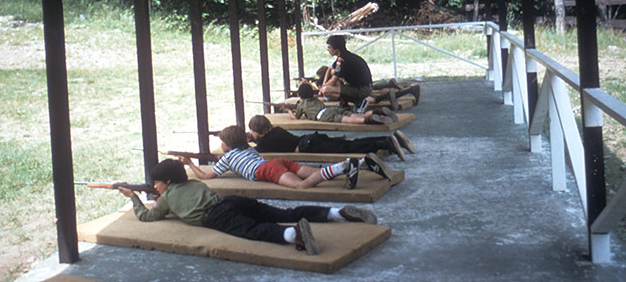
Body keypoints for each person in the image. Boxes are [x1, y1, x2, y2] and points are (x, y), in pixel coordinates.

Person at [118, 159, 378, 255]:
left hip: (216, 216)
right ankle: (336, 213)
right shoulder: (195, 184)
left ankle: (293, 235)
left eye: (158, 184)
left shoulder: (166, 199)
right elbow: (177, 198)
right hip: (231, 201)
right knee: (284, 213)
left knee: (253, 230)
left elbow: (148, 217)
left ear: (167, 182)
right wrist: (159, 196)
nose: (157, 187)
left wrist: (133, 197)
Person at [180, 125, 360, 189]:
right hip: (276, 163)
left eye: (222, 142)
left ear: (228, 144)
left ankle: (340, 167)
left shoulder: (227, 159)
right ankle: (346, 166)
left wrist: (189, 163)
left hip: (267, 170)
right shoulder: (249, 149)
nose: (221, 146)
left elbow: (205, 177)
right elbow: (239, 161)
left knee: (301, 186)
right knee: (315, 173)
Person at [248, 114, 415, 161]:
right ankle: (393, 138)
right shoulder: (276, 130)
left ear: (256, 130)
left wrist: (247, 139)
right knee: (350, 143)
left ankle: (385, 143)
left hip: (308, 146)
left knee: (349, 148)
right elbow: (262, 140)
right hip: (311, 138)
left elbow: (255, 150)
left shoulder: (265, 143)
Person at [291, 82, 397, 125]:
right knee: (356, 115)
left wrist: (288, 111)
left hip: (323, 116)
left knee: (350, 120)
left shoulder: (302, 105)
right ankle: (377, 111)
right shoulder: (315, 99)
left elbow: (296, 118)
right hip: (331, 109)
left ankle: (369, 120)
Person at [320, 35, 373, 107]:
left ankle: (358, 102)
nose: (327, 50)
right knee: (333, 71)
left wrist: (321, 89)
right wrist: (324, 83)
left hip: (362, 90)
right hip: (363, 86)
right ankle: (344, 103)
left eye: (329, 47)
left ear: (337, 50)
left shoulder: (341, 60)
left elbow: (333, 82)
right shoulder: (344, 55)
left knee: (326, 90)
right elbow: (329, 69)